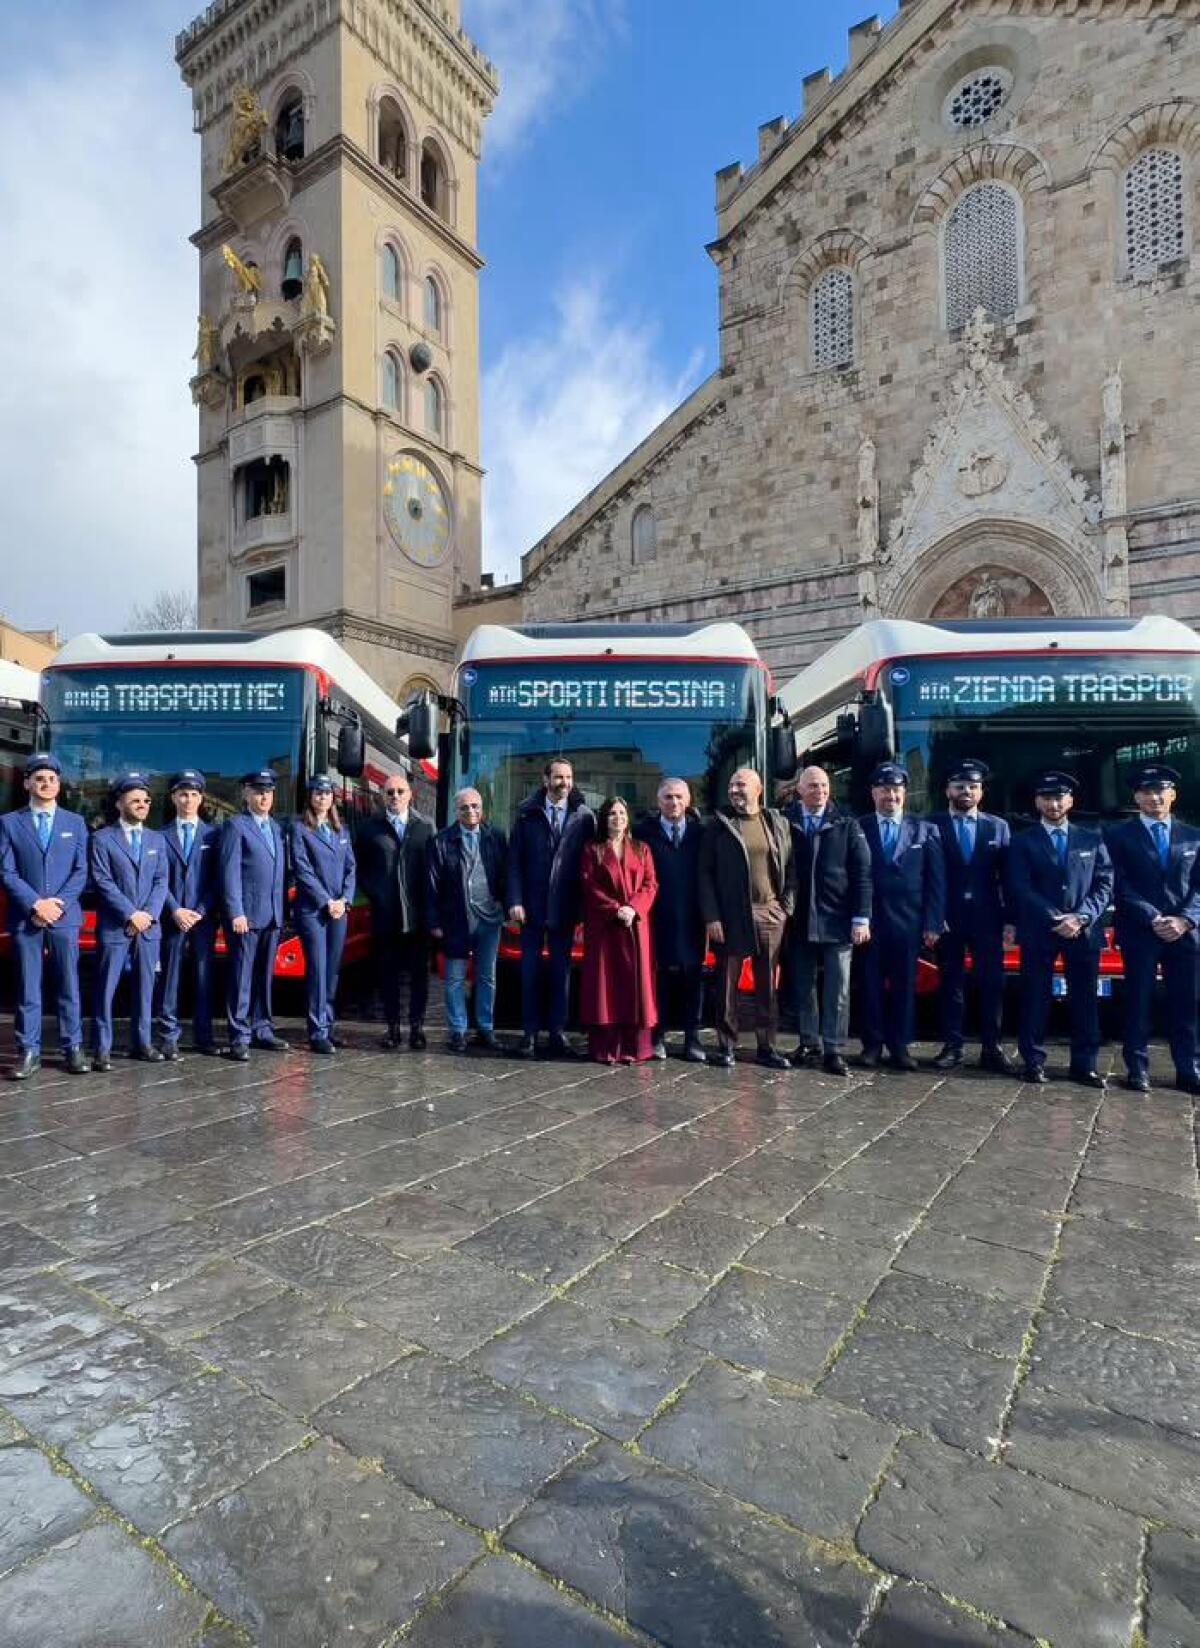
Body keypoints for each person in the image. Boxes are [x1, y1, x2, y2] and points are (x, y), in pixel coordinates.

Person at [1006, 771, 1114, 1088]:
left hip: (1083, 931)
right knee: (1035, 998)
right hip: (1040, 931)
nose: (1053, 803)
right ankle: (1033, 1061)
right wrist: (1057, 918)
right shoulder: (1022, 841)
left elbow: (1104, 884)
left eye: (1059, 797)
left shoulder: (1092, 838)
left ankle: (1085, 1065)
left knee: (1084, 1000)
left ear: (1070, 801)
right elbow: (1020, 886)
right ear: (1037, 802)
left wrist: (1080, 917)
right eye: (1047, 797)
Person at [1105, 764, 1200, 1095]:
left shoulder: (1194, 836)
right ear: (1136, 797)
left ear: (1173, 795)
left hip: (1185, 934)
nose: (1154, 797)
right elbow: (1117, 882)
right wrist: (1153, 916)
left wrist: (1186, 918)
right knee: (1138, 1002)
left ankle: (1189, 1069)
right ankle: (1137, 1068)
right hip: (1140, 930)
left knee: (1187, 1003)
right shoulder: (1117, 836)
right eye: (1146, 792)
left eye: (1161, 791)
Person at [699, 766, 796, 1069]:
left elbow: (791, 867)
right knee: (727, 983)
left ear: (758, 789)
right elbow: (704, 874)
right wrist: (712, 917)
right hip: (731, 916)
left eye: (740, 785)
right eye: (731, 785)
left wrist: (785, 908)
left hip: (770, 913)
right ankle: (726, 1045)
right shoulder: (717, 825)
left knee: (767, 984)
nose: (734, 790)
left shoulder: (776, 822)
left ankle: (767, 1047)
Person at [0, 753, 89, 1080]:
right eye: (39, 778)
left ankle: (73, 1047)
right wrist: (36, 904)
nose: (46, 783)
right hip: (27, 918)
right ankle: (28, 1051)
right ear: (27, 783)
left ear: (59, 784)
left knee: (69, 985)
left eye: (51, 778)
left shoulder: (75, 823)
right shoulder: (9, 823)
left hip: (64, 918)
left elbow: (82, 872)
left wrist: (57, 905)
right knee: (27, 987)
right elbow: (6, 871)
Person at [783, 764, 871, 1076]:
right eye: (812, 786)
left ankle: (833, 1048)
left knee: (838, 988)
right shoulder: (784, 821)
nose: (819, 791)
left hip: (838, 918)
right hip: (799, 918)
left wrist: (862, 917)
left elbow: (862, 873)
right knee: (803, 985)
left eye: (823, 786)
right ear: (799, 790)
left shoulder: (847, 822)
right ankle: (809, 1043)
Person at [929, 759, 1016, 1075]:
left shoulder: (998, 827)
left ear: (981, 792)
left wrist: (1010, 920)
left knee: (992, 984)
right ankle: (953, 1046)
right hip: (948, 919)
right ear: (947, 790)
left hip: (988, 920)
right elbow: (929, 877)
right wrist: (932, 918)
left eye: (973, 786)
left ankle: (992, 1047)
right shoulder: (931, 825)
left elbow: (1008, 879)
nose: (966, 791)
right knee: (951, 983)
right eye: (960, 786)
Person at [858, 762, 945, 1070]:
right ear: (873, 793)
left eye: (895, 790)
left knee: (905, 986)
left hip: (909, 922)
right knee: (868, 985)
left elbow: (936, 880)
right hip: (871, 921)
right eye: (884, 790)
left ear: (904, 794)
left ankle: (900, 1046)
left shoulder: (925, 829)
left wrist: (933, 921)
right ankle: (871, 1045)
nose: (890, 796)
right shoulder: (859, 827)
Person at [507, 757, 596, 1058]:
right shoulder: (526, 814)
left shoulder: (584, 817)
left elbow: (590, 866)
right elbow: (514, 862)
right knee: (529, 973)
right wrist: (515, 900)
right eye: (558, 778)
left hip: (566, 907)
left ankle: (557, 1033)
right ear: (545, 780)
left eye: (569, 778)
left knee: (562, 973)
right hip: (530, 908)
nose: (564, 783)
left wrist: (585, 910)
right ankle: (529, 1035)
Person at [89, 772, 169, 1071]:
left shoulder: (156, 839)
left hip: (148, 927)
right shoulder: (102, 839)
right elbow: (102, 880)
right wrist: (130, 913)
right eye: (135, 800)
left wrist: (147, 914)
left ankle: (142, 1042)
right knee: (106, 987)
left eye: (146, 800)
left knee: (146, 987)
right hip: (116, 925)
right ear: (120, 802)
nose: (142, 805)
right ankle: (102, 1047)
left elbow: (162, 881)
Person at [355, 771, 434, 1050]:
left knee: (419, 977)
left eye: (401, 791)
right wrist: (375, 892)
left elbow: (433, 872)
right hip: (385, 915)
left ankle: (417, 1028)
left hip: (418, 916)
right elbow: (358, 867)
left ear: (410, 795)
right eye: (390, 792)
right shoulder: (368, 829)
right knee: (387, 975)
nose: (395, 797)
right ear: (381, 796)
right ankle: (392, 1029)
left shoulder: (425, 826)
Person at [428, 788, 508, 1053]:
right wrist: (435, 922)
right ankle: (458, 1031)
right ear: (456, 811)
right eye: (465, 808)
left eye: (475, 806)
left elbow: (506, 875)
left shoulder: (495, 837)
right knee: (454, 979)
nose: (471, 811)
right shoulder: (442, 840)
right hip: (456, 919)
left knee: (487, 977)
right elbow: (432, 885)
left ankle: (485, 1028)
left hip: (490, 919)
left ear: (482, 808)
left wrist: (505, 907)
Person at [580, 796, 659, 1063]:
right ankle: (606, 1048)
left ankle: (635, 1048)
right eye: (612, 813)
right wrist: (615, 909)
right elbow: (590, 885)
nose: (618, 818)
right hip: (605, 928)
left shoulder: (641, 848)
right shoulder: (593, 849)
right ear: (604, 819)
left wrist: (633, 908)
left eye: (622, 813)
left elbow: (650, 884)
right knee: (606, 987)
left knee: (637, 986)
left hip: (636, 927)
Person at [634, 778, 707, 1062]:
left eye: (678, 797)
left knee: (693, 978)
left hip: (693, 917)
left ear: (688, 801)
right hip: (656, 917)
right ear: (658, 801)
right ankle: (657, 1035)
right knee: (659, 979)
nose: (673, 802)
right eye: (667, 797)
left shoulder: (702, 833)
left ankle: (693, 1038)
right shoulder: (643, 833)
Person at [220, 768, 290, 1060]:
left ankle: (263, 1028)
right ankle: (239, 1034)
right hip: (246, 916)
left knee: (264, 976)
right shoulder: (236, 826)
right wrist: (235, 911)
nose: (264, 797)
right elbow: (229, 872)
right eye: (259, 791)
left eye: (269, 792)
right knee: (241, 977)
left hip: (272, 915)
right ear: (246, 794)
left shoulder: (275, 828)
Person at [155, 769, 220, 1059]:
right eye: (183, 794)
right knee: (170, 977)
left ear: (201, 798)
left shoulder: (215, 835)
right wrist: (174, 908)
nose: (189, 799)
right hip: (173, 917)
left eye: (194, 794)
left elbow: (219, 878)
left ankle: (204, 1035)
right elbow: (158, 878)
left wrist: (201, 910)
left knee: (204, 977)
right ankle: (168, 1036)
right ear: (173, 798)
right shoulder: (159, 836)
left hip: (203, 918)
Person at [291, 775, 356, 1054]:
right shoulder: (300, 829)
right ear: (310, 797)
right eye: (317, 793)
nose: (322, 798)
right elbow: (302, 870)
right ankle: (317, 1031)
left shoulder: (341, 830)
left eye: (327, 793)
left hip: (339, 911)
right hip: (313, 911)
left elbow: (351, 868)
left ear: (333, 798)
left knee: (331, 972)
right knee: (317, 970)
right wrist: (326, 900)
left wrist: (345, 899)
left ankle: (328, 1025)